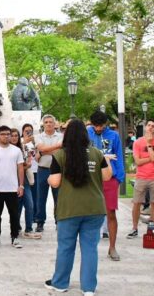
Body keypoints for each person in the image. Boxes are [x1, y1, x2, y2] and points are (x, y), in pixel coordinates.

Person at [44, 119, 112, 295]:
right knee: (90, 247)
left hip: (69, 209)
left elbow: (56, 182)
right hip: (94, 208)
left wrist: (49, 179)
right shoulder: (96, 153)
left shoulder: (60, 155)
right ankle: (88, 288)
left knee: (66, 246)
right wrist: (107, 159)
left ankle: (60, 283)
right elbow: (107, 176)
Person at [86, 110, 124, 261]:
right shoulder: (87, 133)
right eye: (96, 126)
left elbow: (119, 156)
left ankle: (112, 247)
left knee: (111, 213)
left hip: (109, 178)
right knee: (89, 214)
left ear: (106, 124)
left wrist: (119, 178)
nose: (98, 128)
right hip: (91, 177)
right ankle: (89, 247)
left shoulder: (113, 136)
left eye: (101, 126)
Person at [0, 125, 25, 249]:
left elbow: (20, 169)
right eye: (3, 134)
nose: (6, 136)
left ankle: (14, 237)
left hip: (12, 189)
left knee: (14, 215)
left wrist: (21, 186)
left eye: (8, 134)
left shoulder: (16, 150)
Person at [127, 119, 154, 239]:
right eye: (149, 125)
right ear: (145, 127)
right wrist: (150, 158)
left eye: (153, 126)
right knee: (137, 203)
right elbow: (138, 161)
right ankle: (134, 228)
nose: (150, 128)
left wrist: (148, 145)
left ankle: (152, 227)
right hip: (141, 177)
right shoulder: (137, 142)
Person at [34, 114, 63, 232]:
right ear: (43, 124)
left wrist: (43, 152)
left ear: (55, 124)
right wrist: (53, 149)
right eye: (46, 122)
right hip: (43, 169)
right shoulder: (38, 136)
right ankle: (40, 222)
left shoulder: (61, 136)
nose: (49, 124)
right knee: (41, 198)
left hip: (57, 170)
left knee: (59, 197)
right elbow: (42, 148)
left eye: (51, 122)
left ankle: (59, 221)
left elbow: (59, 151)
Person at [11, 128, 37, 239]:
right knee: (16, 207)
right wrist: (24, 166)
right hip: (12, 181)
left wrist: (26, 165)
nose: (14, 137)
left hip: (24, 180)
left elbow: (32, 157)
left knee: (30, 204)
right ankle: (16, 227)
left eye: (16, 135)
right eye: (12, 135)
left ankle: (29, 228)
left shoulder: (23, 148)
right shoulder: (7, 150)